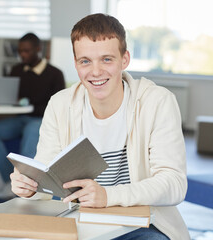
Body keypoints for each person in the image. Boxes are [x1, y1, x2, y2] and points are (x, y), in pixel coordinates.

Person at [10, 14, 189, 240]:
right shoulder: (60, 104)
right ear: (76, 64)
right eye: (85, 61)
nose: (95, 72)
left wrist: (107, 196)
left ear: (125, 60)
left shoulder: (157, 102)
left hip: (143, 226)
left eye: (106, 59)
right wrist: (29, 186)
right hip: (79, 221)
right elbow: (47, 170)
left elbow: (174, 184)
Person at [0, 33, 65, 200]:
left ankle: (27, 184)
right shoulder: (16, 70)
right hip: (20, 118)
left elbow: (58, 107)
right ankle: (10, 181)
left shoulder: (55, 74)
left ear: (38, 49)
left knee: (31, 130)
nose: (22, 55)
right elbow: (10, 98)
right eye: (20, 51)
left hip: (40, 119)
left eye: (27, 51)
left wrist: (30, 106)